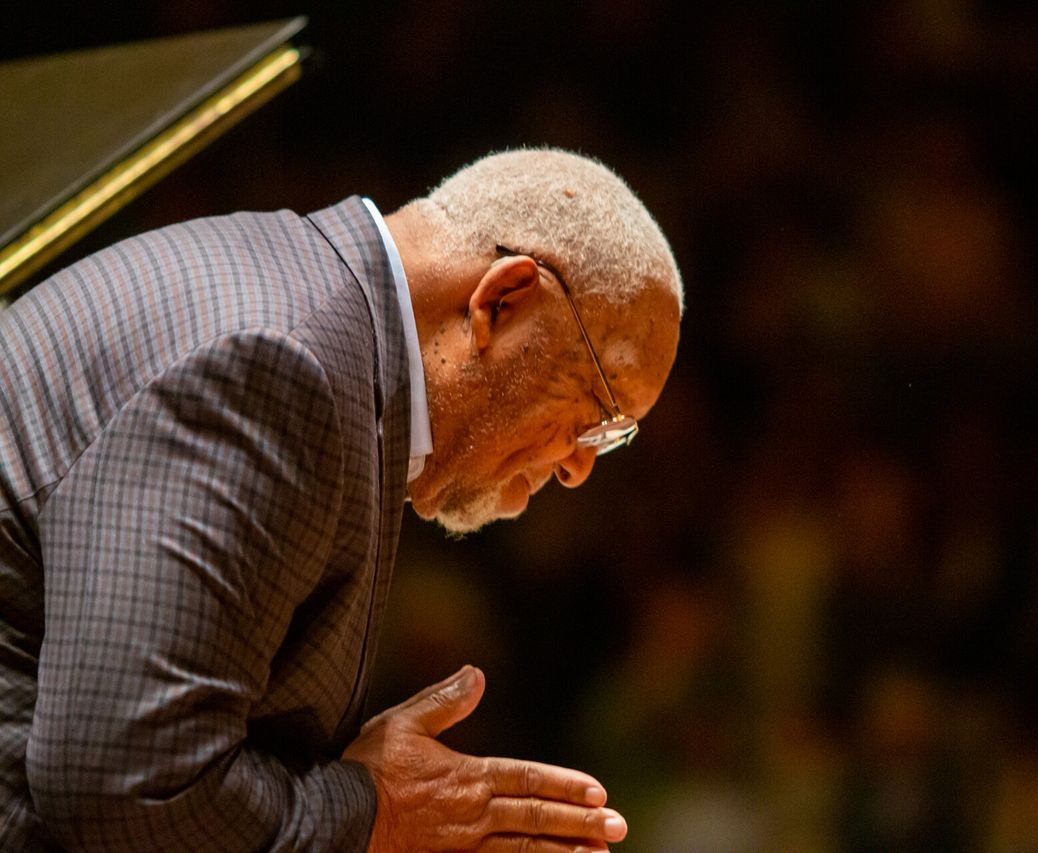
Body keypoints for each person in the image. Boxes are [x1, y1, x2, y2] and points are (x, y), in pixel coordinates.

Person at [0, 148, 683, 851]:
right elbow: (126, 783)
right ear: (499, 303)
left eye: (613, 436)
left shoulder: (319, 330)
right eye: (597, 410)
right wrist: (372, 812)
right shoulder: (279, 365)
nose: (578, 465)